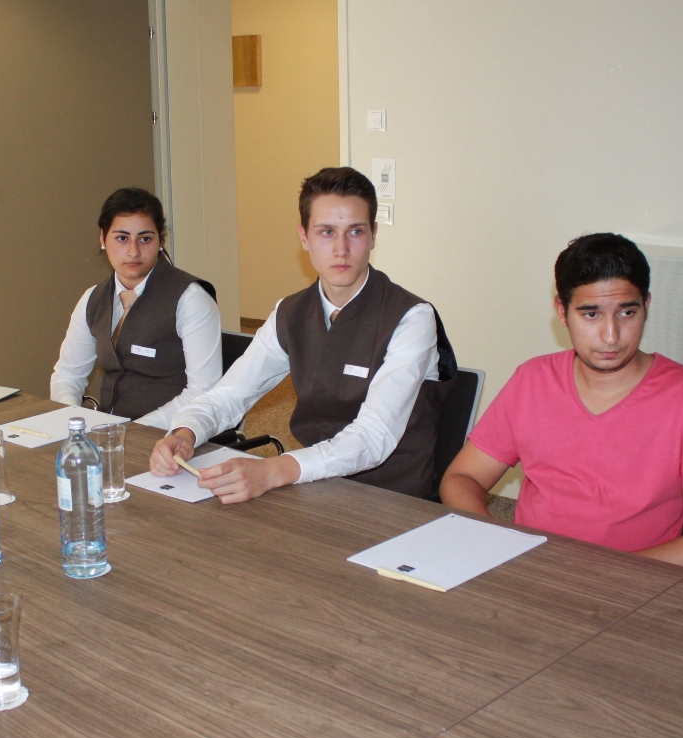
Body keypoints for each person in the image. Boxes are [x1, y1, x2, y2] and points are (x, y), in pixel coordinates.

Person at [440, 233, 683, 576]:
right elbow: (461, 478)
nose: (610, 335)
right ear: (562, 311)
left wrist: (595, 577)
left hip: (636, 585)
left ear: (646, 305)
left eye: (627, 312)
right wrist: (499, 544)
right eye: (591, 314)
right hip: (533, 576)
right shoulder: (532, 380)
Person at [149, 167, 456, 503]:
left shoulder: (412, 317)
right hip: (314, 484)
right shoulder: (290, 312)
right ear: (304, 238)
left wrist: (274, 470)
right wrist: (186, 431)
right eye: (327, 232)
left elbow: (373, 437)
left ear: (373, 236)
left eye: (355, 231)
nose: (341, 249)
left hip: (391, 498)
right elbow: (230, 395)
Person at [50, 187, 222, 428]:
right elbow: (67, 376)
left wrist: (132, 431)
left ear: (161, 241)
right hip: (108, 431)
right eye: (122, 238)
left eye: (145, 239)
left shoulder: (191, 299)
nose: (133, 251)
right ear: (103, 239)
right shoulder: (93, 299)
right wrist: (73, 422)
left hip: (171, 433)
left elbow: (203, 392)